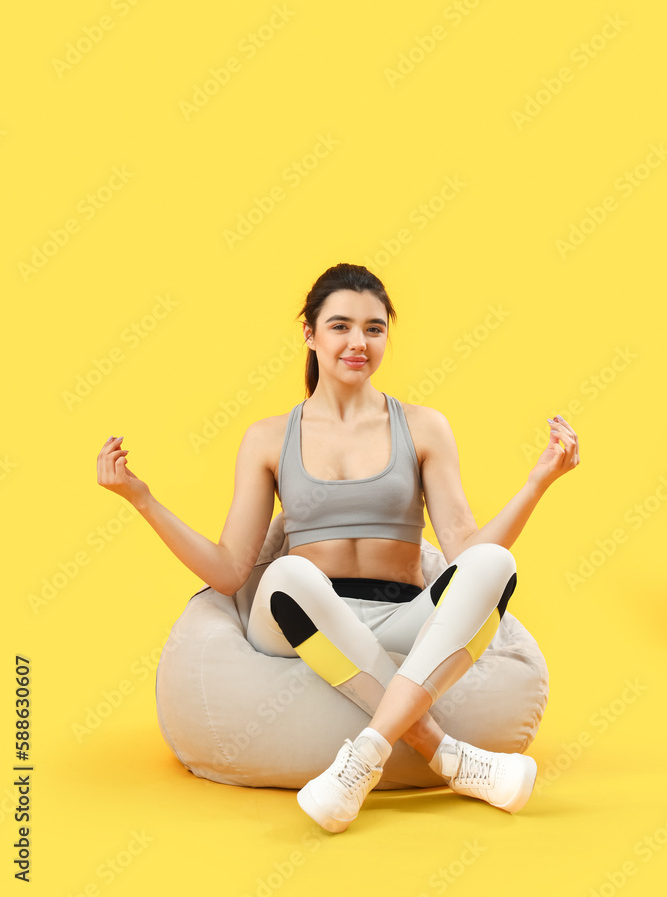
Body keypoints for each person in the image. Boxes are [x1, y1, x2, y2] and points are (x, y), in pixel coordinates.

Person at [97, 262, 579, 834]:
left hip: (401, 617)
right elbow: (230, 572)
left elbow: (465, 549)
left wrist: (536, 484)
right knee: (288, 574)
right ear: (311, 334)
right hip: (300, 618)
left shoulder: (424, 428)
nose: (358, 342)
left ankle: (365, 757)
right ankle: (448, 753)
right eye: (341, 326)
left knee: (496, 563)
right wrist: (142, 499)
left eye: (374, 329)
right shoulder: (269, 437)